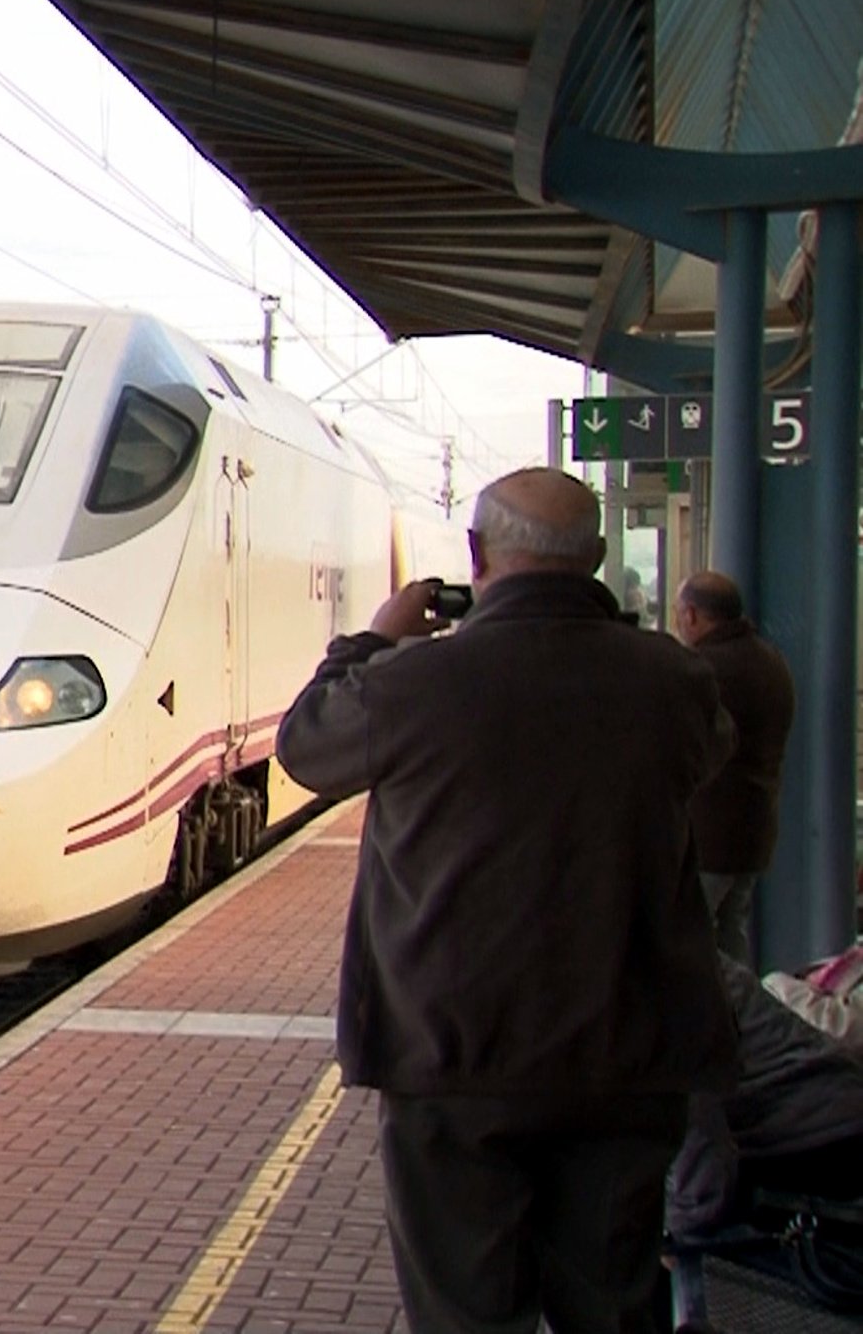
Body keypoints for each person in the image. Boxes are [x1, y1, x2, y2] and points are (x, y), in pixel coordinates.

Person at [275, 467, 737, 1334]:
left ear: (478, 556)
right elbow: (704, 756)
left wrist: (369, 642)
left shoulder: (413, 685)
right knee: (614, 1304)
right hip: (629, 1056)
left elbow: (305, 748)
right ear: (598, 559)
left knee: (464, 1312)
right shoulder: (673, 681)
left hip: (455, 1060)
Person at [671, 958, 863, 1314]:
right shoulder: (666, 951)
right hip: (816, 1126)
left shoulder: (652, 982)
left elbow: (701, 1194)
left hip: (822, 1152)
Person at [674, 571, 796, 966]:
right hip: (754, 831)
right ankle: (739, 1022)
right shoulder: (771, 660)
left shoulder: (703, 670)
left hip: (709, 836)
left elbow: (680, 747)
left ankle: (709, 1025)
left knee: (689, 940)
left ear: (692, 615)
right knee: (730, 936)